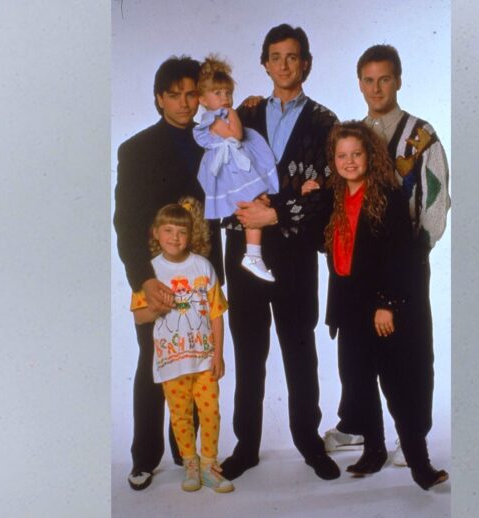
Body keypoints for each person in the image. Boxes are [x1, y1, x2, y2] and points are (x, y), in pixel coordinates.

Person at [219, 23, 340, 481]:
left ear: (305, 63)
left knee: (299, 348)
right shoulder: (243, 116)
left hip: (293, 255)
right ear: (264, 63)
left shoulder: (326, 122)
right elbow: (222, 174)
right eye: (275, 56)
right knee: (249, 351)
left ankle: (309, 443)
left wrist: (277, 214)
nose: (284, 64)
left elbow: (326, 192)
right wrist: (256, 214)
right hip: (245, 252)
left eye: (293, 56)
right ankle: (246, 446)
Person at [322, 44, 450, 469]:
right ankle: (367, 434)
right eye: (368, 80)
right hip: (361, 271)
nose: (376, 88)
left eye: (385, 79)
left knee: (408, 356)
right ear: (359, 83)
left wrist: (414, 256)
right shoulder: (353, 133)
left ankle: (414, 437)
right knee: (360, 357)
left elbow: (435, 200)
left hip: (405, 264)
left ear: (398, 80)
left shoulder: (420, 135)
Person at [113, 55, 224, 491]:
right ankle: (144, 456)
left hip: (200, 273)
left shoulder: (210, 141)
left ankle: (187, 452)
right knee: (153, 362)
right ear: (159, 98)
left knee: (195, 361)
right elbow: (125, 221)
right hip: (156, 276)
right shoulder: (136, 149)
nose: (184, 103)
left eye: (191, 94)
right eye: (174, 95)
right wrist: (144, 279)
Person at [129, 198, 233, 493]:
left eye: (182, 232)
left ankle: (210, 466)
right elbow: (138, 317)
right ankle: (190, 465)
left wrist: (219, 355)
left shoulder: (202, 267)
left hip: (203, 361)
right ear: (156, 233)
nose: (175, 238)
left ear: (192, 234)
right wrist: (159, 308)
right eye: (168, 231)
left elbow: (216, 314)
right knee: (180, 414)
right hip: (170, 362)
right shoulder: (150, 272)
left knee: (210, 410)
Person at [194, 55, 279, 282]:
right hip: (230, 171)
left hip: (235, 168)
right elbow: (237, 135)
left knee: (256, 204)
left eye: (228, 93)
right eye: (218, 93)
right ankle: (252, 255)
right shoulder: (214, 119)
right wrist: (233, 112)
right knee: (252, 206)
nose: (226, 98)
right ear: (202, 98)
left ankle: (253, 254)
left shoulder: (220, 115)